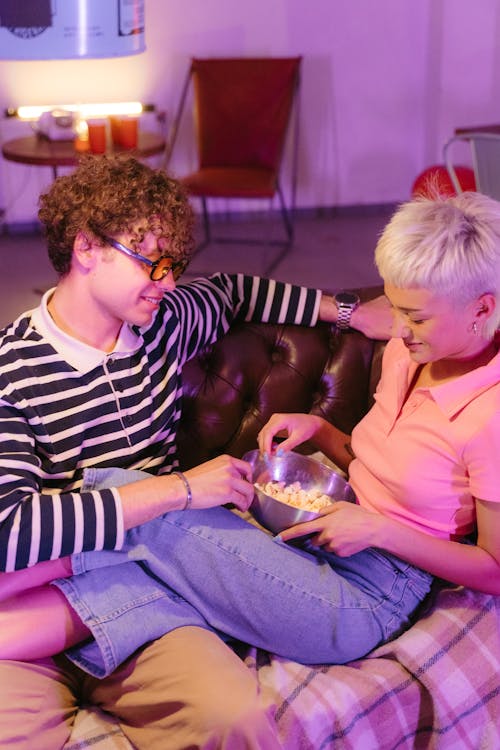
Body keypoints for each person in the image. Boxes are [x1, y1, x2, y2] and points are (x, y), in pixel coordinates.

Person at [0, 153, 391, 750]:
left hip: (148, 598)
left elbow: (232, 291)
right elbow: (10, 531)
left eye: (173, 264)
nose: (169, 282)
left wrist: (351, 312)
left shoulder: (164, 321)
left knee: (234, 719)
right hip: (41, 598)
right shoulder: (11, 370)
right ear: (86, 247)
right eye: (152, 263)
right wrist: (180, 491)